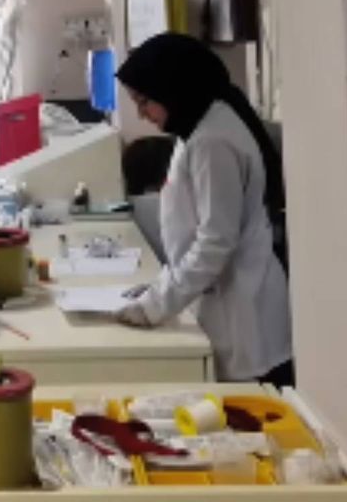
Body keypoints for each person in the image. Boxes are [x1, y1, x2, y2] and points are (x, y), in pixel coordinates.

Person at [114, 33, 294, 387]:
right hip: (225, 297)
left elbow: (216, 241)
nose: (141, 114)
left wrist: (156, 305)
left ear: (172, 87)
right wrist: (161, 287)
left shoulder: (213, 141)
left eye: (145, 101)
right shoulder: (200, 126)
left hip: (242, 312)